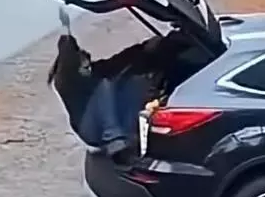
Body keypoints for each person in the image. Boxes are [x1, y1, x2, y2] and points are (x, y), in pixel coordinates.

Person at [48, 24, 192, 161]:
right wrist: (67, 41)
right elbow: (68, 62)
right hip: (91, 128)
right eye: (82, 59)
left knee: (136, 77)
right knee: (106, 84)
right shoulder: (67, 81)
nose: (87, 60)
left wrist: (145, 47)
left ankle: (131, 138)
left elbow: (121, 60)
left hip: (115, 120)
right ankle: (115, 140)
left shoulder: (96, 70)